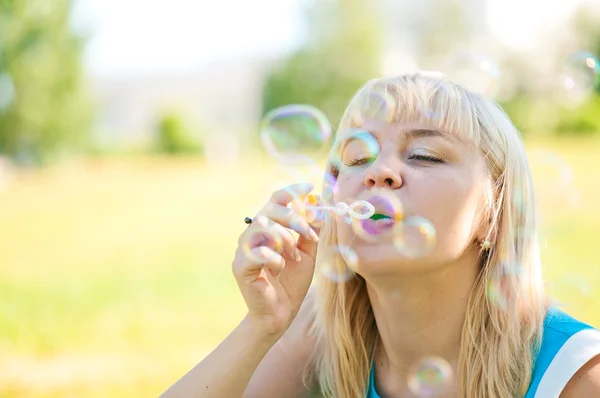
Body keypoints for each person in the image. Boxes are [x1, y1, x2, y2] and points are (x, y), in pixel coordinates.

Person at [161, 74, 600, 398]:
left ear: (493, 214)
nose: (378, 172)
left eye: (425, 155)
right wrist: (262, 326)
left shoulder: (575, 373)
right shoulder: (320, 335)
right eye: (356, 157)